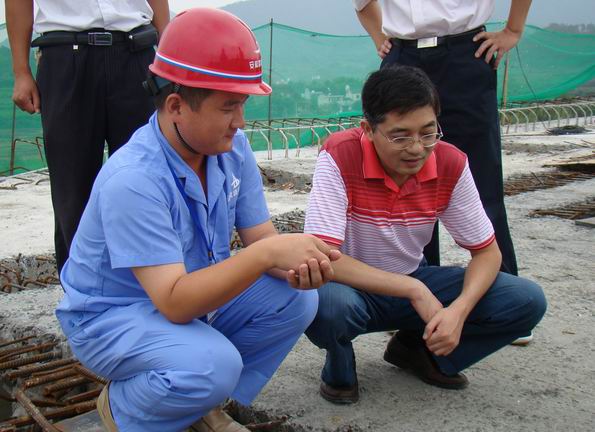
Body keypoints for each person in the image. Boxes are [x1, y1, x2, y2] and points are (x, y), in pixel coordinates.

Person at [55, 8, 340, 432]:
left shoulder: (231, 149)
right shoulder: (134, 179)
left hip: (184, 299)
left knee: (296, 300)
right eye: (229, 107)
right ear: (176, 106)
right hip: (114, 319)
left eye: (243, 104)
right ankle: (125, 408)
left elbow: (260, 236)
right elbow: (175, 301)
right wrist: (266, 255)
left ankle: (196, 404)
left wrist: (301, 265)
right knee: (213, 364)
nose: (240, 122)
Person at [304, 65, 546, 404]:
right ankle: (339, 363)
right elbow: (321, 256)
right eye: (400, 136)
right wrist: (414, 289)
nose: (417, 148)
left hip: (412, 278)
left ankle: (419, 351)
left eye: (428, 133)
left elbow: (487, 252)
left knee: (526, 300)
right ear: (368, 129)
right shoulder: (340, 155)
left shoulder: (450, 163)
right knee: (325, 304)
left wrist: (458, 310)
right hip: (351, 287)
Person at [354, 0, 533, 279]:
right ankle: (414, 296)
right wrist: (380, 37)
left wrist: (513, 30)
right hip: (403, 57)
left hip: (466, 52)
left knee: (483, 182)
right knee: (406, 189)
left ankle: (504, 296)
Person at [5, 0, 170, 273]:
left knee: (147, 180)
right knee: (72, 190)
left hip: (135, 54)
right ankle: (80, 290)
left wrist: (166, 54)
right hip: (64, 58)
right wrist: (21, 71)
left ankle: (154, 285)